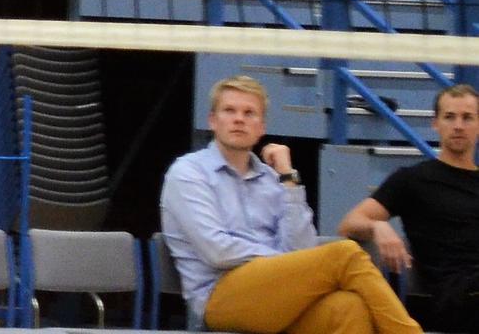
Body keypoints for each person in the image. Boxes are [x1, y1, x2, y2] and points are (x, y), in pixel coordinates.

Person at [161, 75, 418, 334]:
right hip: (219, 297)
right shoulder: (188, 173)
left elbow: (301, 248)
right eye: (229, 110)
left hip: (278, 295)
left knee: (348, 307)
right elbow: (218, 252)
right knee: (344, 254)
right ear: (212, 121)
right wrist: (286, 262)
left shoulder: (272, 179)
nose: (239, 119)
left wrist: (288, 177)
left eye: (249, 113)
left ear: (261, 127)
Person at [342, 83, 479, 333]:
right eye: (450, 117)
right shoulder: (412, 180)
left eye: (467, 117)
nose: (458, 125)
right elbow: (349, 223)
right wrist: (377, 226)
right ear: (435, 124)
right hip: (451, 297)